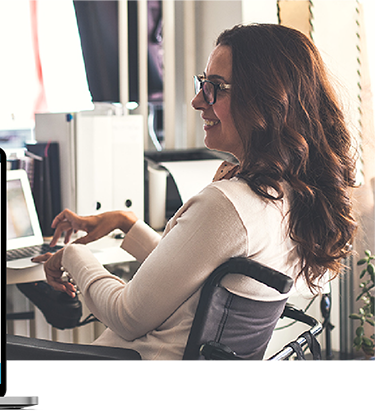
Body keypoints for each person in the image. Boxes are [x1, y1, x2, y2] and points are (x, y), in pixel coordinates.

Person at [32, 23, 357, 360]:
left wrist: (73, 256)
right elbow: (190, 273)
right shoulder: (287, 197)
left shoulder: (231, 205)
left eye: (216, 87)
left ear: (265, 100)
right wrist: (126, 223)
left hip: (130, 390)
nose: (197, 100)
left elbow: (127, 316)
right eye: (202, 84)